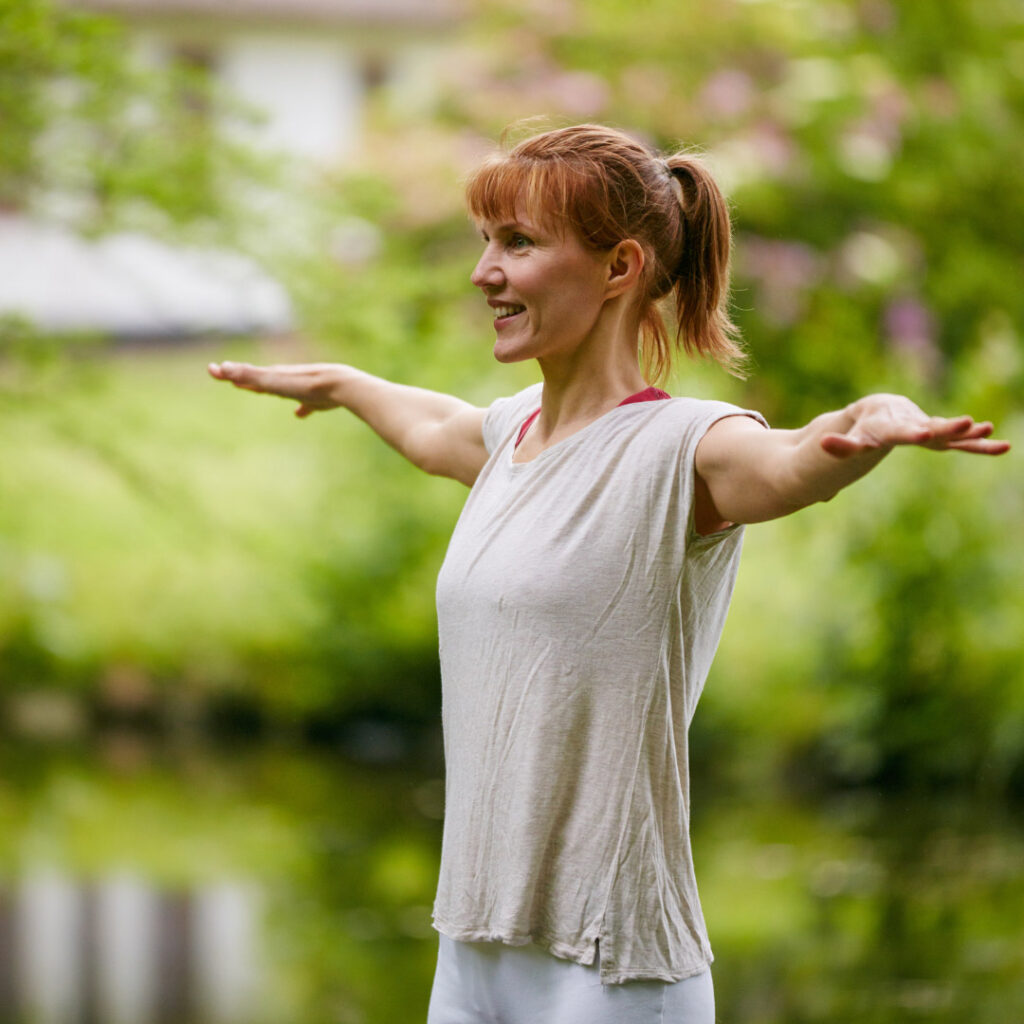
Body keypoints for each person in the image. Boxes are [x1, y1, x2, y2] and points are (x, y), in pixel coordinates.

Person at [208, 123, 1009, 1024]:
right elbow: (434, 426)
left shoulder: (687, 447)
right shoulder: (514, 436)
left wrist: (869, 426)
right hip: (472, 950)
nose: (484, 272)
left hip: (610, 968)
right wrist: (346, 383)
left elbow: (787, 466)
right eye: (485, 241)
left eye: (517, 243)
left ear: (620, 267)